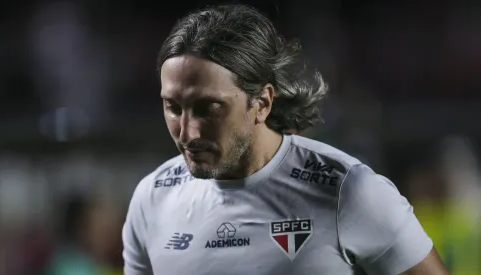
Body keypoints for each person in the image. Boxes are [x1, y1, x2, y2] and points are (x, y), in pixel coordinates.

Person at [122, 4, 448, 275]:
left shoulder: (350, 192)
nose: (188, 133)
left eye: (208, 108)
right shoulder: (152, 198)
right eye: (173, 108)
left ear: (262, 103)